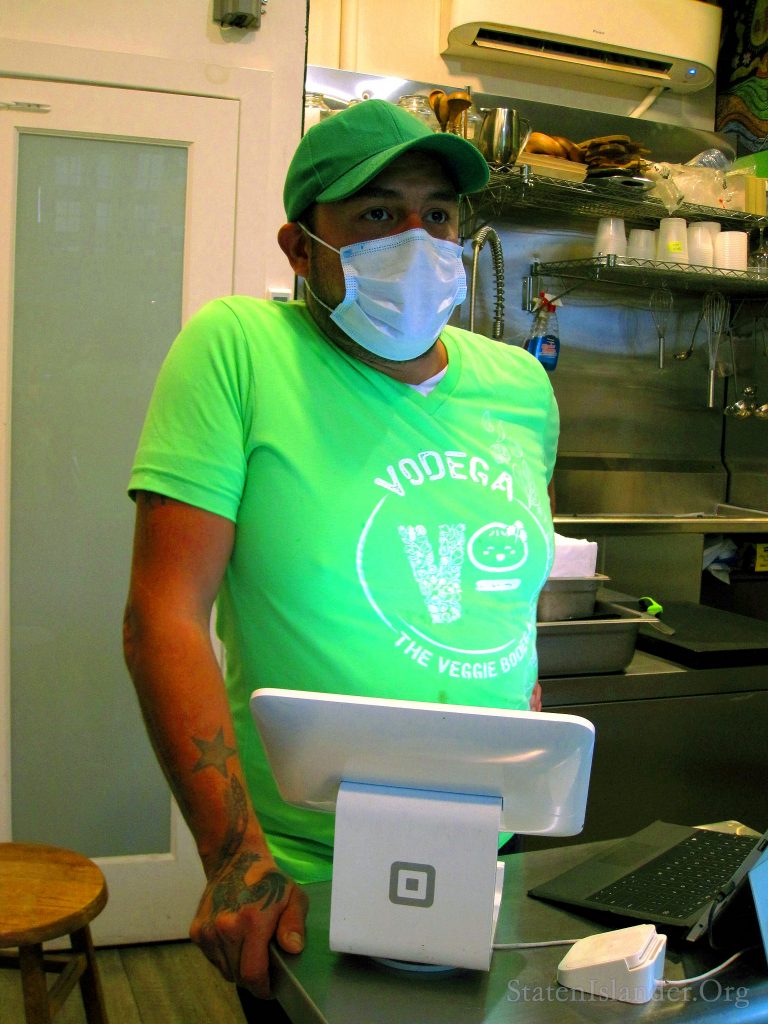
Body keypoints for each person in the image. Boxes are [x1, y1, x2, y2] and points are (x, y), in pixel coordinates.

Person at [123, 98, 559, 1019]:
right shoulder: (240, 350)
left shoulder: (520, 386)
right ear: (300, 248)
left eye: (437, 215)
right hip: (307, 869)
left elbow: (506, 592)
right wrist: (234, 855)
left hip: (490, 849)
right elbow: (164, 613)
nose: (417, 241)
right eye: (377, 213)